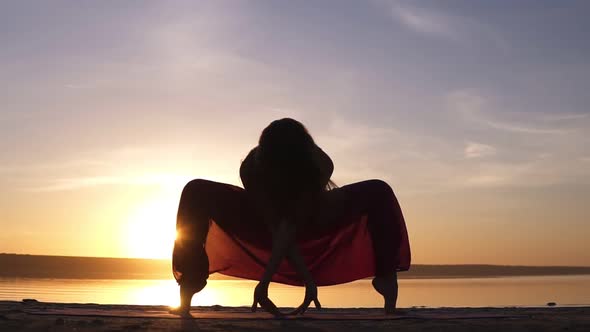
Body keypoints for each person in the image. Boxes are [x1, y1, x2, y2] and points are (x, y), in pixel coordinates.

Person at [169, 118, 411, 317]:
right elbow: (277, 226)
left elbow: (293, 222)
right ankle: (188, 289)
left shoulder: (319, 162)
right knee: (196, 190)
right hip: (262, 223)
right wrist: (267, 284)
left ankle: (388, 290)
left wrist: (306, 281)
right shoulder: (252, 167)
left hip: (314, 218)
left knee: (377, 190)